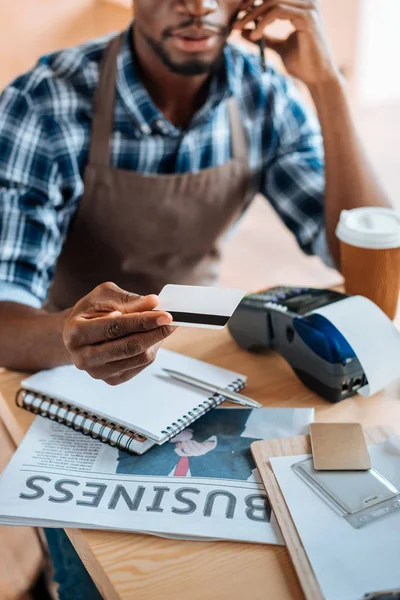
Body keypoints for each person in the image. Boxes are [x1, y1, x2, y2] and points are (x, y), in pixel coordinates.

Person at [0, 1, 390, 597]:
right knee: (97, 573)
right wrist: (67, 336)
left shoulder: (262, 94)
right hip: (56, 357)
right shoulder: (46, 103)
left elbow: (359, 249)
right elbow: (4, 316)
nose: (199, 5)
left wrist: (327, 85)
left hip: (190, 352)